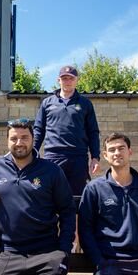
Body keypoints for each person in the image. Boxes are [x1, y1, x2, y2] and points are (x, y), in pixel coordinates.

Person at [0, 119, 76, 275]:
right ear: (7, 141)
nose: (19, 143)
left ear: (33, 140)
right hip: (10, 253)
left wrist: (64, 250)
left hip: (48, 253)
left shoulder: (51, 170)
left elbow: (67, 209)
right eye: (14, 138)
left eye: (24, 138)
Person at [78, 133, 138, 275]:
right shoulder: (94, 189)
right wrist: (99, 261)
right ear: (105, 155)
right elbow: (85, 229)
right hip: (110, 263)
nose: (117, 153)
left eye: (121, 148)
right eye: (112, 150)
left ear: (130, 151)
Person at [33, 65, 100, 195]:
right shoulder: (47, 103)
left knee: (77, 198)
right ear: (59, 80)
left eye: (71, 78)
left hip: (78, 158)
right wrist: (33, 152)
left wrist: (95, 157)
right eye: (64, 78)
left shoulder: (85, 103)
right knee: (51, 196)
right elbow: (38, 130)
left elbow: (93, 132)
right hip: (53, 157)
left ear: (77, 80)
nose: (67, 81)